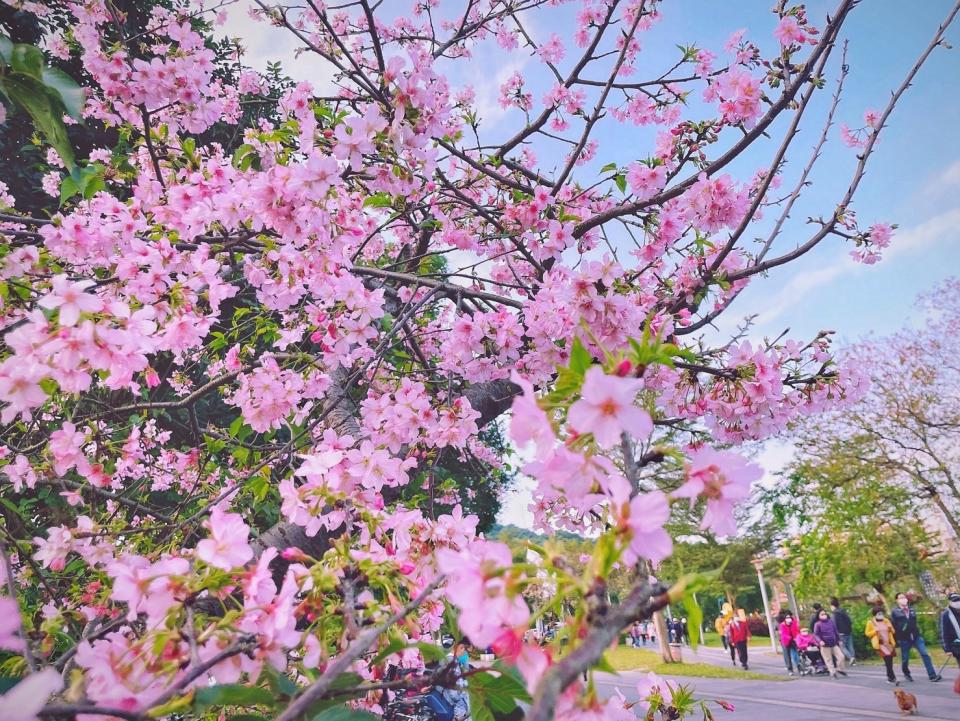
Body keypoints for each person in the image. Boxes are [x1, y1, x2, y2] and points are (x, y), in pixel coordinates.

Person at [891, 592, 942, 682]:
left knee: (925, 654)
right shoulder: (895, 612)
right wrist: (897, 639)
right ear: (897, 600)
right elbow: (893, 626)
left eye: (904, 597)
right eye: (900, 598)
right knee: (905, 658)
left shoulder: (912, 609)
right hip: (904, 639)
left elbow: (914, 622)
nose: (903, 599)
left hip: (916, 637)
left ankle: (932, 675)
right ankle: (906, 673)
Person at [865, 606, 899, 684]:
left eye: (882, 613)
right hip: (880, 644)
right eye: (879, 613)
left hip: (889, 643)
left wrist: (890, 628)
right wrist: (874, 631)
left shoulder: (886, 620)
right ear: (875, 614)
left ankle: (890, 677)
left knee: (889, 661)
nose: (881, 614)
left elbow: (893, 631)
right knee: (887, 660)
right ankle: (893, 678)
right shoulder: (871, 622)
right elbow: (867, 633)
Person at [812, 609, 848, 678]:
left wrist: (839, 640)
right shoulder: (817, 624)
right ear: (818, 616)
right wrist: (820, 641)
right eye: (822, 614)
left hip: (833, 643)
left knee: (841, 657)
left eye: (824, 614)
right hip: (825, 645)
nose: (824, 615)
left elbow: (835, 631)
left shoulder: (831, 622)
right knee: (828, 660)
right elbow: (816, 634)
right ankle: (832, 672)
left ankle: (839, 669)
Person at [831, 597, 855, 665]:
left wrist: (835, 633)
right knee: (850, 646)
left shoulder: (835, 614)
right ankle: (853, 658)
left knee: (842, 647)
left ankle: (850, 658)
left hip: (841, 632)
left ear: (832, 606)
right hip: (848, 631)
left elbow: (834, 624)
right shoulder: (844, 611)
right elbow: (850, 620)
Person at [939, 592, 960, 670]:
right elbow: (944, 633)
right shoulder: (946, 615)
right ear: (950, 602)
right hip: (956, 645)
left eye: (958, 600)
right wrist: (947, 649)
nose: (957, 602)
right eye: (955, 601)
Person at [778, 611, 801, 676]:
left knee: (797, 654)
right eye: (787, 617)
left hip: (794, 640)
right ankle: (790, 669)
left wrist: (796, 637)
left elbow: (797, 630)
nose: (789, 618)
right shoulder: (782, 625)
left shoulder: (794, 623)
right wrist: (790, 637)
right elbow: (783, 634)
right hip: (785, 641)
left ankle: (799, 666)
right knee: (787, 655)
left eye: (789, 617)